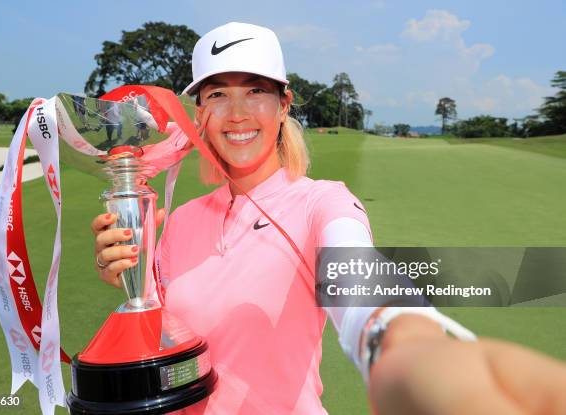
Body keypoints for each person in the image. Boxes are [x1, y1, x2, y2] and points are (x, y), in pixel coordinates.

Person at [91, 22, 566, 414]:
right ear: (200, 112)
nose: (236, 113)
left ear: (284, 105)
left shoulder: (322, 204)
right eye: (217, 95)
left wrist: (403, 346)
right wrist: (130, 280)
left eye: (255, 91)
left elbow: (360, 280)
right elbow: (165, 338)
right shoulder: (179, 220)